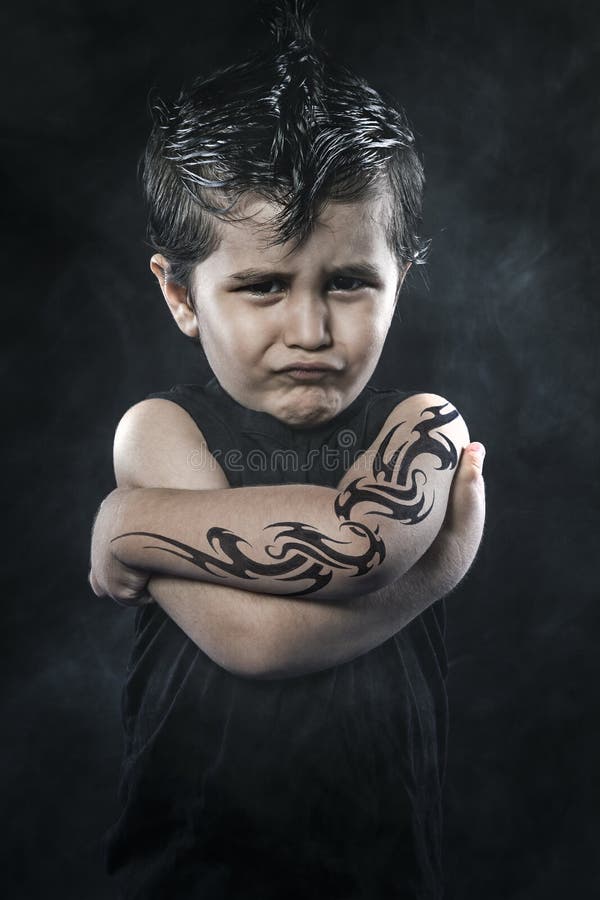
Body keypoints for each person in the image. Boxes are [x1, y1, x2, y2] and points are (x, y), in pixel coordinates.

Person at [88, 2, 486, 897]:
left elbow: (355, 549)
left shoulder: (424, 426)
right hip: (187, 873)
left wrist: (134, 528)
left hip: (382, 876)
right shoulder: (160, 432)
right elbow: (258, 640)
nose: (310, 329)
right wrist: (443, 564)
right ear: (181, 295)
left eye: (349, 282)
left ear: (402, 277)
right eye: (262, 286)